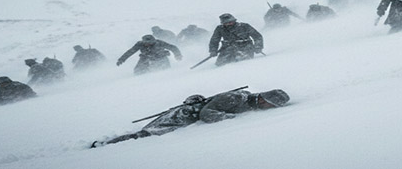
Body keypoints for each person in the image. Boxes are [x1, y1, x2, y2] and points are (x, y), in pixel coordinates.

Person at [90, 88, 289, 148]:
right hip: (184, 115)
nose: (269, 108)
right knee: (145, 135)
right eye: (270, 104)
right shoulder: (236, 98)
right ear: (264, 98)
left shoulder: (248, 103)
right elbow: (206, 114)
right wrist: (228, 118)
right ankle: (103, 144)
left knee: (147, 135)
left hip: (189, 116)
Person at [117, 34, 183, 75]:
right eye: (145, 42)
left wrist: (178, 55)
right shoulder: (139, 44)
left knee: (166, 71)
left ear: (153, 41)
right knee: (138, 71)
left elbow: (173, 47)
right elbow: (130, 51)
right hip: (146, 57)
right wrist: (121, 59)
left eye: (149, 42)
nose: (147, 44)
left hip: (160, 57)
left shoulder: (159, 42)